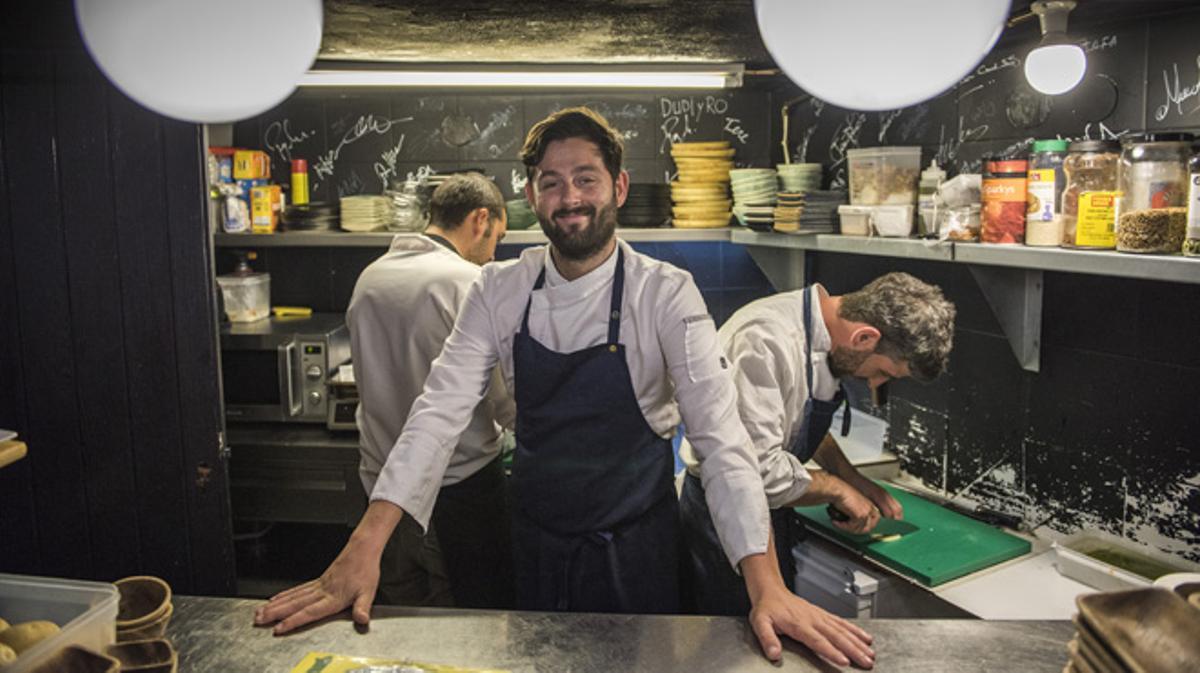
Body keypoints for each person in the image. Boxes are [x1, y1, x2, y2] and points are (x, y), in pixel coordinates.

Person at [255, 107, 874, 669]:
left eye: (585, 178)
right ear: (531, 195)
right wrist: (365, 545)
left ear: (618, 188)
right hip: (539, 545)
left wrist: (765, 585)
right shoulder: (500, 289)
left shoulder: (665, 293)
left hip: (636, 549)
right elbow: (437, 414)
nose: (568, 196)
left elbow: (725, 443)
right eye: (550, 182)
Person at [680, 273, 956, 616]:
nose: (875, 383)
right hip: (722, 523)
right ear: (864, 337)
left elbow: (792, 424)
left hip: (774, 513)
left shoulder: (827, 338)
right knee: (736, 650)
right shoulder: (763, 340)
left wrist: (854, 479)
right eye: (883, 372)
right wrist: (837, 490)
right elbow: (754, 472)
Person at [347, 172, 515, 609]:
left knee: (398, 624)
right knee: (470, 630)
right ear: (480, 219)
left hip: (380, 493)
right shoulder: (469, 283)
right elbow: (503, 401)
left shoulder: (370, 277)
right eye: (497, 236)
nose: (493, 252)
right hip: (460, 496)